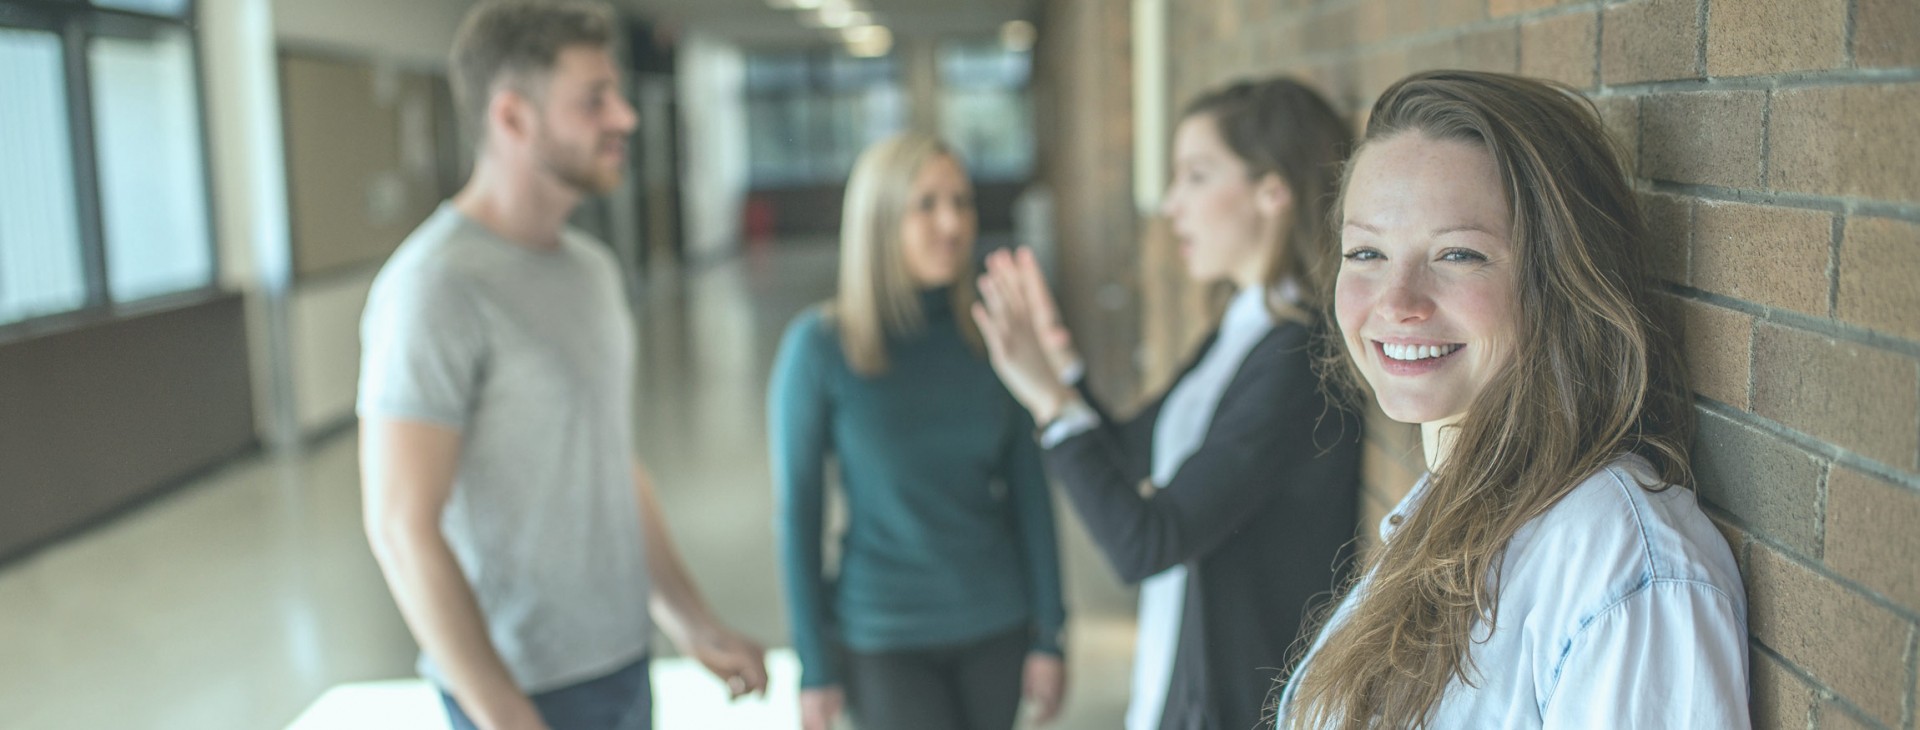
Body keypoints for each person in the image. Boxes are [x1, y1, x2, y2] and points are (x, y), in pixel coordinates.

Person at [1276, 70, 1748, 727]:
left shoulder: (1618, 561)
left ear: (1560, 279)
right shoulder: (1444, 513)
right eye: (1367, 252)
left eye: (1459, 254)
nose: (1397, 302)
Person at [356, 3, 768, 729]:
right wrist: (504, 714)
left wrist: (688, 617)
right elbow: (401, 525)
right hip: (518, 690)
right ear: (512, 117)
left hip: (618, 664)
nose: (626, 119)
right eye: (593, 100)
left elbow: (608, 458)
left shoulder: (593, 272)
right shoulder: (434, 287)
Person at [970, 78, 1363, 730]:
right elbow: (1131, 455)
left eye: (1196, 177)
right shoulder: (1243, 323)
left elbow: (1145, 543)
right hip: (1176, 685)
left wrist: (1049, 402)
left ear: (1273, 192)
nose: (1171, 205)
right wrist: (1063, 368)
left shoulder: (1299, 361)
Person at [769, 132, 1069, 730]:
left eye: (961, 202)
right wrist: (814, 664)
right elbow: (797, 515)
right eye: (926, 204)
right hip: (883, 635)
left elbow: (1031, 494)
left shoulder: (990, 338)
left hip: (996, 624)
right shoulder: (822, 348)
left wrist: (1051, 632)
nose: (952, 223)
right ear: (879, 221)